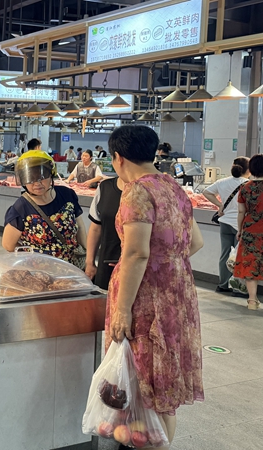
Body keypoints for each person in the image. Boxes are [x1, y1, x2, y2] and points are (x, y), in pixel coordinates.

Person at [106, 126, 204, 450]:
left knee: (142, 381)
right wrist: (168, 265)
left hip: (144, 299)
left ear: (118, 158)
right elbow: (196, 242)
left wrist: (123, 309)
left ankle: (150, 445)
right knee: (162, 382)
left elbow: (137, 252)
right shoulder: (173, 187)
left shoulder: (137, 192)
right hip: (176, 294)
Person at [2, 150, 87, 266]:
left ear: (51, 174)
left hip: (73, 266)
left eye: (41, 176)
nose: (37, 183)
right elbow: (8, 245)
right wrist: (32, 259)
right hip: (41, 271)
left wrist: (88, 257)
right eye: (30, 178)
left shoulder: (67, 195)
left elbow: (80, 227)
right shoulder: (21, 208)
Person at [202, 157, 250, 293]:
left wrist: (220, 205)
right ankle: (237, 287)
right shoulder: (248, 184)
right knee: (238, 256)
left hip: (225, 222)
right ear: (248, 170)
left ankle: (223, 284)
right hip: (240, 224)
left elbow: (206, 192)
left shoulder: (222, 182)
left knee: (225, 255)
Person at [233, 154, 263, 309]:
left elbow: (241, 212)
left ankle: (252, 300)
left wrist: (240, 230)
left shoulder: (245, 187)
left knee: (251, 263)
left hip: (250, 229)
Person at [85, 176, 124, 289]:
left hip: (138, 269)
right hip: (107, 262)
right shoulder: (105, 187)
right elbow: (96, 227)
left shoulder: (151, 190)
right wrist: (90, 263)